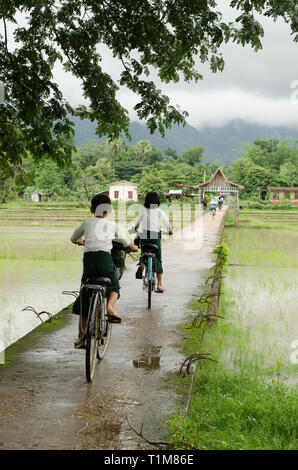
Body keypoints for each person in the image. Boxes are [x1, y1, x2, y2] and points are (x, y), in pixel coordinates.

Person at [71, 193, 138, 349]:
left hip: (89, 263)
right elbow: (126, 242)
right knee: (114, 286)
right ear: (109, 210)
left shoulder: (86, 224)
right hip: (105, 261)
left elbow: (73, 238)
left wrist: (82, 242)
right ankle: (109, 307)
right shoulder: (112, 225)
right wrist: (133, 247)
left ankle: (81, 337)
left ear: (91, 209)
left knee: (85, 295)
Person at [129, 191, 172, 293]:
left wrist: (135, 228)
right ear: (157, 201)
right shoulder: (159, 211)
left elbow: (137, 223)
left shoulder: (143, 210)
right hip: (154, 236)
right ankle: (160, 285)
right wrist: (169, 231)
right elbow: (167, 224)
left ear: (146, 201)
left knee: (144, 252)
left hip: (144, 235)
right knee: (158, 258)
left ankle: (142, 265)